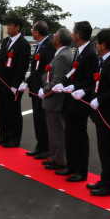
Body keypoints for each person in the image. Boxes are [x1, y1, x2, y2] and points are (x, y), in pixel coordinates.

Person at [53, 21, 98, 182]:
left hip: (80, 101)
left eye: (74, 32)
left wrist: (76, 87)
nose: (72, 35)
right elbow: (72, 73)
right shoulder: (78, 51)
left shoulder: (91, 54)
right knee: (70, 135)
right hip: (70, 100)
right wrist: (63, 84)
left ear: (78, 35)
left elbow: (91, 81)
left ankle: (81, 170)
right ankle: (71, 166)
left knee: (79, 136)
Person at [86, 29, 110, 196]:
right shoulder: (104, 61)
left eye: (97, 43)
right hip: (102, 113)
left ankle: (109, 185)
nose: (96, 45)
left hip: (109, 113)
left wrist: (99, 100)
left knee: (107, 149)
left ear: (103, 44)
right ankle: (104, 179)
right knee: (103, 148)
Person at [0, 15, 31, 148]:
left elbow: (22, 67)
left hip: (13, 85)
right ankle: (3, 136)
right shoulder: (6, 41)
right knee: (3, 111)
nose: (8, 27)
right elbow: (2, 60)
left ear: (18, 27)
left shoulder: (24, 44)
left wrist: (15, 85)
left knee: (14, 112)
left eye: (10, 25)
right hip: (1, 82)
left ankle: (14, 139)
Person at [21, 20, 55, 159]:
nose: (31, 31)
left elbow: (48, 70)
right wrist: (27, 82)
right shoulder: (40, 46)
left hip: (42, 90)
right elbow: (36, 70)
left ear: (38, 32)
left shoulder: (49, 46)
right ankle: (39, 146)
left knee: (43, 119)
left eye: (33, 29)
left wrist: (43, 88)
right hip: (35, 88)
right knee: (37, 119)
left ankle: (46, 149)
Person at [39, 27, 72, 171]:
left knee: (57, 132)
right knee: (54, 131)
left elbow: (57, 79)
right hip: (54, 100)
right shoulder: (64, 53)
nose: (53, 37)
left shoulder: (63, 55)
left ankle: (59, 160)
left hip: (55, 100)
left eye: (55, 35)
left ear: (58, 40)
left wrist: (45, 91)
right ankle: (54, 157)